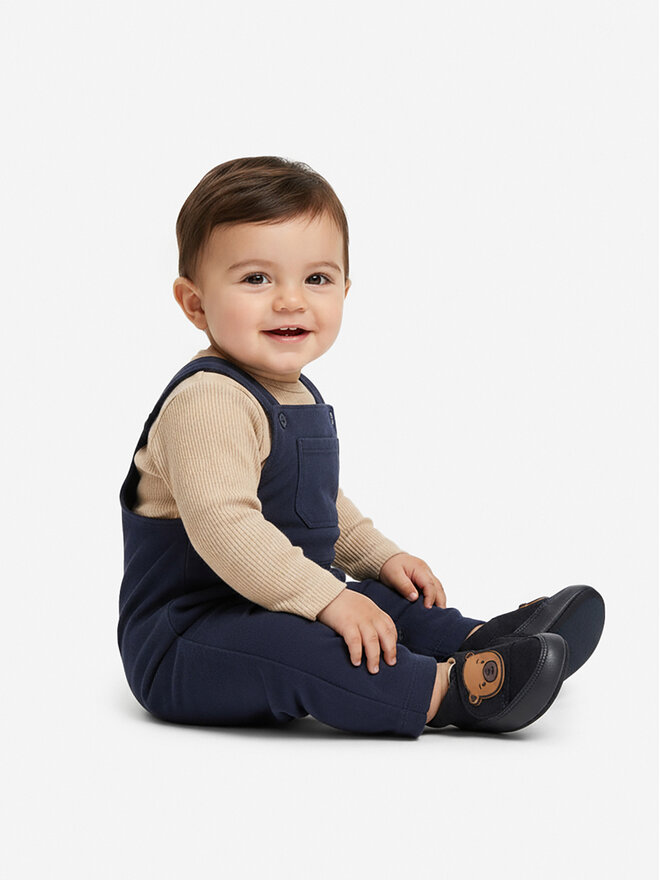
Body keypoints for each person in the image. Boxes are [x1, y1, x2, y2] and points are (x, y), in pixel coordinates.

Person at [118, 156, 605, 737]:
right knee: (309, 643)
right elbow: (227, 529)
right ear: (195, 303)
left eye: (317, 279)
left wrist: (379, 557)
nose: (291, 301)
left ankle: (484, 641)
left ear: (345, 290)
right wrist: (328, 599)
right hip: (187, 639)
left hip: (268, 603)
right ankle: (450, 692)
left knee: (380, 602)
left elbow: (319, 504)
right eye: (256, 279)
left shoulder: (292, 392)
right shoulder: (209, 401)